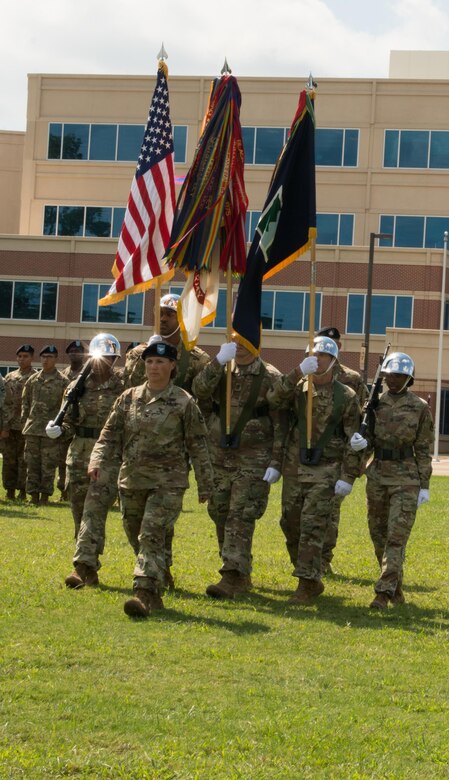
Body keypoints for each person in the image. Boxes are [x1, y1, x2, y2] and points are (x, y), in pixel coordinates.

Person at [79, 336, 212, 618]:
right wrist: (96, 460)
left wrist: (205, 484)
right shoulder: (128, 398)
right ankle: (158, 576)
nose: (153, 367)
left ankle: (144, 593)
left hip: (168, 482)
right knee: (134, 531)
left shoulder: (183, 402)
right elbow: (108, 435)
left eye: (160, 361)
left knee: (151, 533)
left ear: (172, 366)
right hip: (132, 479)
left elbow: (198, 445)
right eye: (149, 361)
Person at [123, 292, 211, 589]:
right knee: (139, 524)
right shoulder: (138, 354)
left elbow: (206, 400)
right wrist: (143, 354)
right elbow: (129, 386)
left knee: (155, 522)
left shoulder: (197, 358)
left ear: (182, 318)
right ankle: (161, 568)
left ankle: (148, 583)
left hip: (174, 449)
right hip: (138, 451)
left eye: (170, 314)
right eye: (160, 312)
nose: (163, 318)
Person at [268, 336, 362, 605]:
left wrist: (348, 477)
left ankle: (307, 583)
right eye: (313, 354)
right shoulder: (298, 388)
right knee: (290, 522)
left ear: (333, 361)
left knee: (312, 524)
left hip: (326, 470)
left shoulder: (346, 396)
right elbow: (273, 399)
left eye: (322, 355)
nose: (317, 359)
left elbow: (354, 441)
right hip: (295, 467)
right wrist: (297, 371)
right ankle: (310, 573)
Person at [192, 338, 285, 599]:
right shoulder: (220, 369)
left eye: (245, 339)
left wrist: (276, 461)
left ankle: (231, 575)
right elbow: (199, 390)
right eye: (235, 340)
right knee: (219, 511)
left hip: (253, 457)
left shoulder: (270, 376)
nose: (240, 344)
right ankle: (240, 573)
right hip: (219, 454)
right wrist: (218, 361)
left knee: (240, 515)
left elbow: (280, 421)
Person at [350, 351, 434, 609]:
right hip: (378, 476)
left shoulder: (419, 407)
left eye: (398, 375)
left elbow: (423, 448)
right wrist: (360, 443)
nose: (392, 379)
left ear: (409, 378)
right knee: (378, 535)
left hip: (406, 477)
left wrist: (425, 485)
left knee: (396, 537)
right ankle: (395, 588)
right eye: (389, 375)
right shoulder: (374, 404)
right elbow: (370, 440)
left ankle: (383, 593)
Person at [46, 334, 123, 540]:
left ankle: (87, 556)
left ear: (115, 359)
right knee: (78, 503)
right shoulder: (76, 387)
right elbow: (70, 422)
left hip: (108, 453)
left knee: (96, 507)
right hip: (79, 452)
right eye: (100, 357)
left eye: (109, 358)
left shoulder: (123, 386)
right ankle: (81, 546)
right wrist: (60, 430)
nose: (103, 362)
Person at [316, 326, 369, 574]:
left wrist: (358, 460)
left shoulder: (352, 379)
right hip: (308, 450)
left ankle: (324, 559)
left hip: (337, 454)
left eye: (332, 342)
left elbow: (364, 418)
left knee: (330, 511)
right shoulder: (309, 372)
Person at [21, 345, 68, 505]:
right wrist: (25, 422)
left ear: (55, 359)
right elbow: (25, 403)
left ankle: (45, 497)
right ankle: (33, 496)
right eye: (43, 357)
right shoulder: (33, 380)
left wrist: (60, 427)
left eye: (49, 357)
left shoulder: (63, 381)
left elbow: (65, 407)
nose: (46, 360)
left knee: (48, 465)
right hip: (33, 429)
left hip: (50, 431)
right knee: (32, 464)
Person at [0, 345, 36, 500]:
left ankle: (22, 492)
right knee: (9, 460)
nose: (22, 359)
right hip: (10, 426)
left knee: (24, 461)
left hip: (26, 427)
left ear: (32, 358)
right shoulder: (10, 377)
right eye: (20, 356)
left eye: (25, 356)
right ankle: (10, 491)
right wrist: (5, 426)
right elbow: (5, 404)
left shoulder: (36, 377)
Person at [58, 340, 87, 501]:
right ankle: (63, 491)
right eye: (72, 350)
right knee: (63, 459)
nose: (75, 353)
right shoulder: (62, 376)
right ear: (68, 354)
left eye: (79, 350)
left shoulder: (89, 375)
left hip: (83, 423)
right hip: (65, 423)